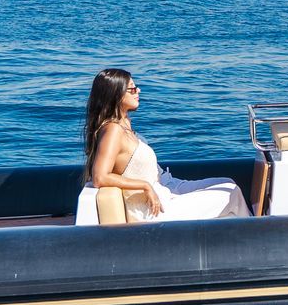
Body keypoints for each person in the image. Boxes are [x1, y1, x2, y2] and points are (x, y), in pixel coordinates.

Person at [75, 68, 248, 224]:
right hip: (153, 210)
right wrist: (145, 186)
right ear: (117, 94)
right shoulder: (113, 130)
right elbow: (100, 177)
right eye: (133, 89)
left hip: (165, 188)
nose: (138, 91)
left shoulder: (124, 124)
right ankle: (253, 245)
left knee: (227, 182)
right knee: (231, 193)